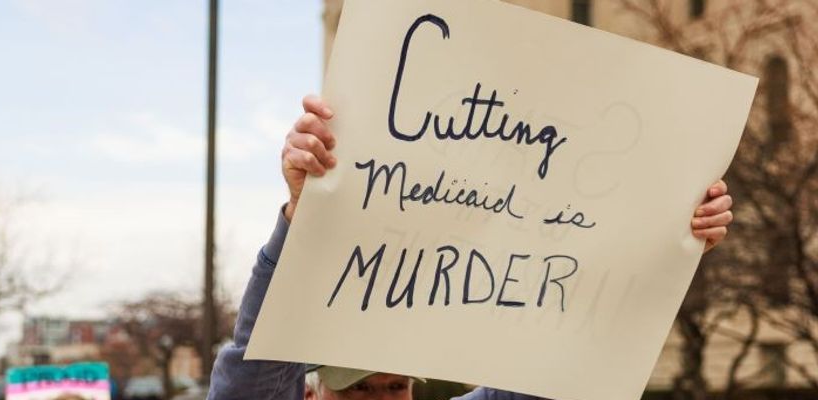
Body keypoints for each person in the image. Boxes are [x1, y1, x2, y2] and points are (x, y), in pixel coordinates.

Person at [206, 95, 735, 400]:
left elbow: (566, 366)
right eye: (360, 391)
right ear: (311, 394)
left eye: (394, 389)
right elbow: (257, 361)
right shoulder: (276, 381)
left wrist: (670, 248)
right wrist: (302, 218)